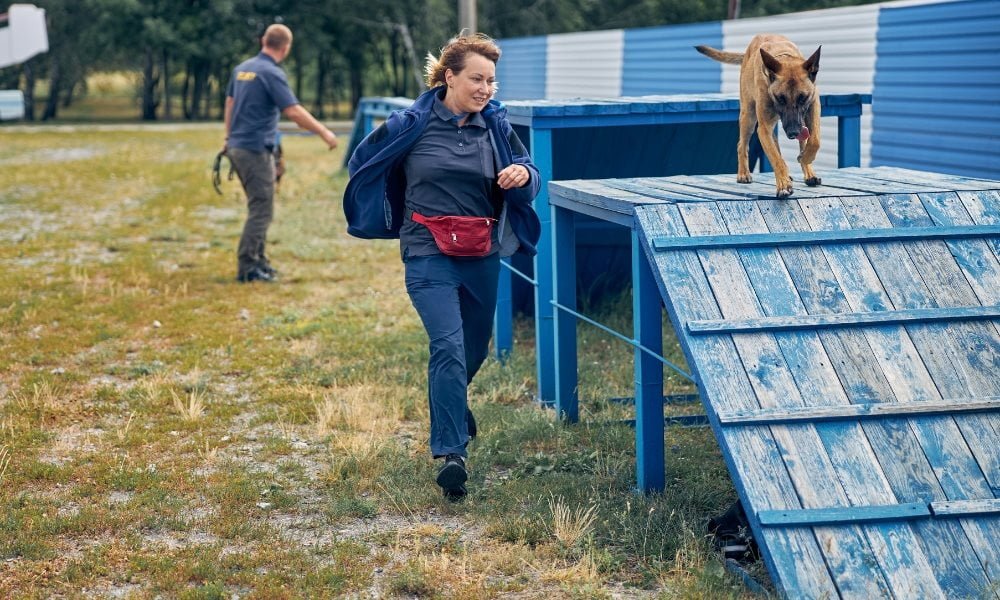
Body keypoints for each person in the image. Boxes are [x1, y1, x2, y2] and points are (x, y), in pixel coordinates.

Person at [343, 34, 541, 500]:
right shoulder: (410, 123)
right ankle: (453, 454)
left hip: (481, 252)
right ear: (449, 77)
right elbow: (362, 161)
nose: (486, 88)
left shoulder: (495, 126)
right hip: (426, 250)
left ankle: (452, 406)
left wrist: (523, 176)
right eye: (477, 78)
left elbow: (529, 174)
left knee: (475, 349)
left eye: (492, 80)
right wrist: (387, 204)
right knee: (448, 347)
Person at [224, 23, 338, 283]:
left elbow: (229, 103)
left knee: (259, 205)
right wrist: (324, 132)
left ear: (264, 40)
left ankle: (259, 261)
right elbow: (293, 111)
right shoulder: (271, 73)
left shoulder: (242, 69)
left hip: (237, 147)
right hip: (254, 149)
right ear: (285, 48)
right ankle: (249, 266)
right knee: (262, 208)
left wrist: (227, 137)